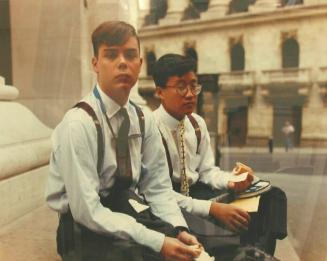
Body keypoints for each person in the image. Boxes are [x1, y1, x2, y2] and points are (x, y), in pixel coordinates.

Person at [45, 21, 202, 261]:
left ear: (139, 64)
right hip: (82, 232)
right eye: (110, 55)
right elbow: (87, 212)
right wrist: (157, 241)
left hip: (125, 210)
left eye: (130, 55)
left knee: (192, 250)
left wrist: (178, 229)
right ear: (95, 64)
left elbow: (157, 188)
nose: (122, 62)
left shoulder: (143, 118)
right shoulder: (77, 124)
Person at [152, 53, 288, 255]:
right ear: (160, 92)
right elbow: (158, 194)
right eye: (181, 86)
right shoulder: (150, 128)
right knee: (223, 230)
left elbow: (207, 172)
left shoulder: (197, 123)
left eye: (194, 85)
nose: (190, 94)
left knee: (271, 196)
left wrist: (233, 181)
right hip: (171, 202)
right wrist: (214, 209)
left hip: (198, 191)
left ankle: (258, 252)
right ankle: (242, 252)